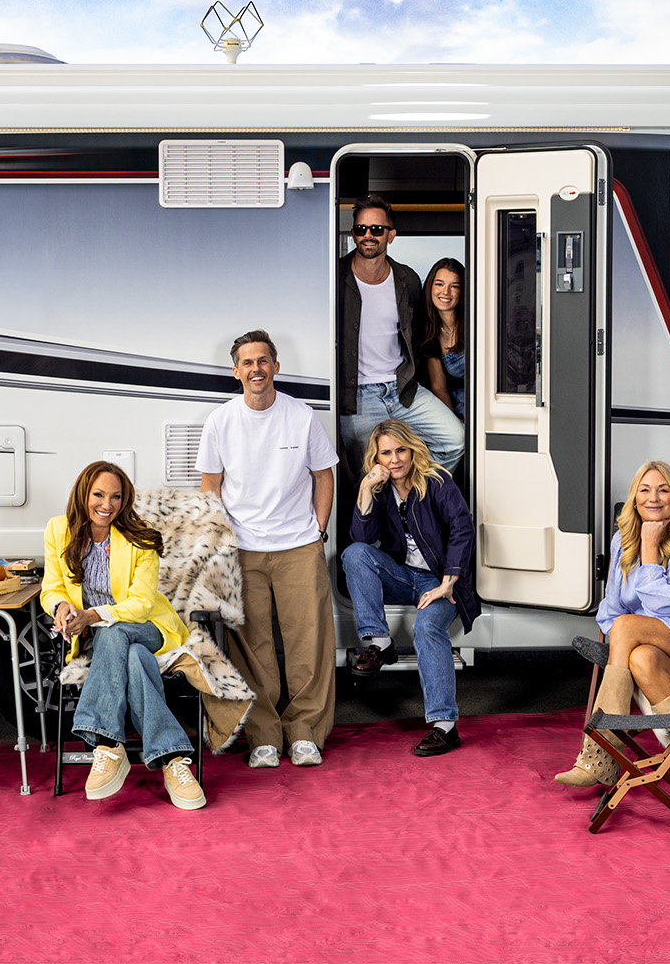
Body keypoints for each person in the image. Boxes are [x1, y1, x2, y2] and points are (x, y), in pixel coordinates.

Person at [554, 462, 670, 803]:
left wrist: (649, 547)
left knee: (627, 627)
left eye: (663, 490)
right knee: (641, 658)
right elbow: (612, 607)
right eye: (644, 490)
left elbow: (665, 604)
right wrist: (626, 643)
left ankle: (599, 754)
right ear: (634, 498)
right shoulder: (621, 540)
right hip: (655, 642)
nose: (653, 497)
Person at [198, 330, 338, 769]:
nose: (256, 368)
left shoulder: (302, 416)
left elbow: (324, 475)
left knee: (308, 641)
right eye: (247, 362)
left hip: (298, 546)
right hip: (243, 548)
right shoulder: (220, 421)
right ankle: (263, 737)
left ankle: (305, 733)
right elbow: (210, 487)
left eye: (263, 360)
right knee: (252, 647)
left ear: (276, 367)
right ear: (236, 371)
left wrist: (318, 531)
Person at [41, 461, 206, 809]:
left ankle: (105, 743)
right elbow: (51, 587)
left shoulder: (139, 537)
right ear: (83, 494)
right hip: (101, 639)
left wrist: (93, 615)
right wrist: (60, 606)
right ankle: (173, 759)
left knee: (115, 633)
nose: (107, 504)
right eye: (99, 495)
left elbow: (141, 605)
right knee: (132, 657)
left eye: (116, 497)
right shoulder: (58, 530)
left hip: (149, 628)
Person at [342, 420, 478, 756]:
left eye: (401, 450)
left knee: (427, 628)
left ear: (412, 449)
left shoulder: (436, 481)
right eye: (386, 453)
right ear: (376, 458)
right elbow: (362, 538)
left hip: (438, 581)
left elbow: (462, 528)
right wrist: (366, 488)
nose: (395, 459)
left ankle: (445, 727)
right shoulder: (380, 488)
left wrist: (448, 582)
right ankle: (380, 643)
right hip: (403, 576)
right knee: (355, 554)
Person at [337, 195, 465, 472]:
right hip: (356, 397)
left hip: (403, 389)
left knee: (456, 440)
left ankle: (416, 494)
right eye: (361, 229)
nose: (368, 235)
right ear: (353, 234)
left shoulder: (407, 279)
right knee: (368, 475)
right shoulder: (335, 275)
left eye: (377, 229)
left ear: (391, 235)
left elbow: (419, 335)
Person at [419, 258, 467, 420]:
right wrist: (454, 422)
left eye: (454, 286)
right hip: (460, 407)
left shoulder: (474, 324)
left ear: (462, 291)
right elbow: (439, 387)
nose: (445, 292)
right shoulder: (429, 332)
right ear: (430, 287)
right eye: (439, 284)